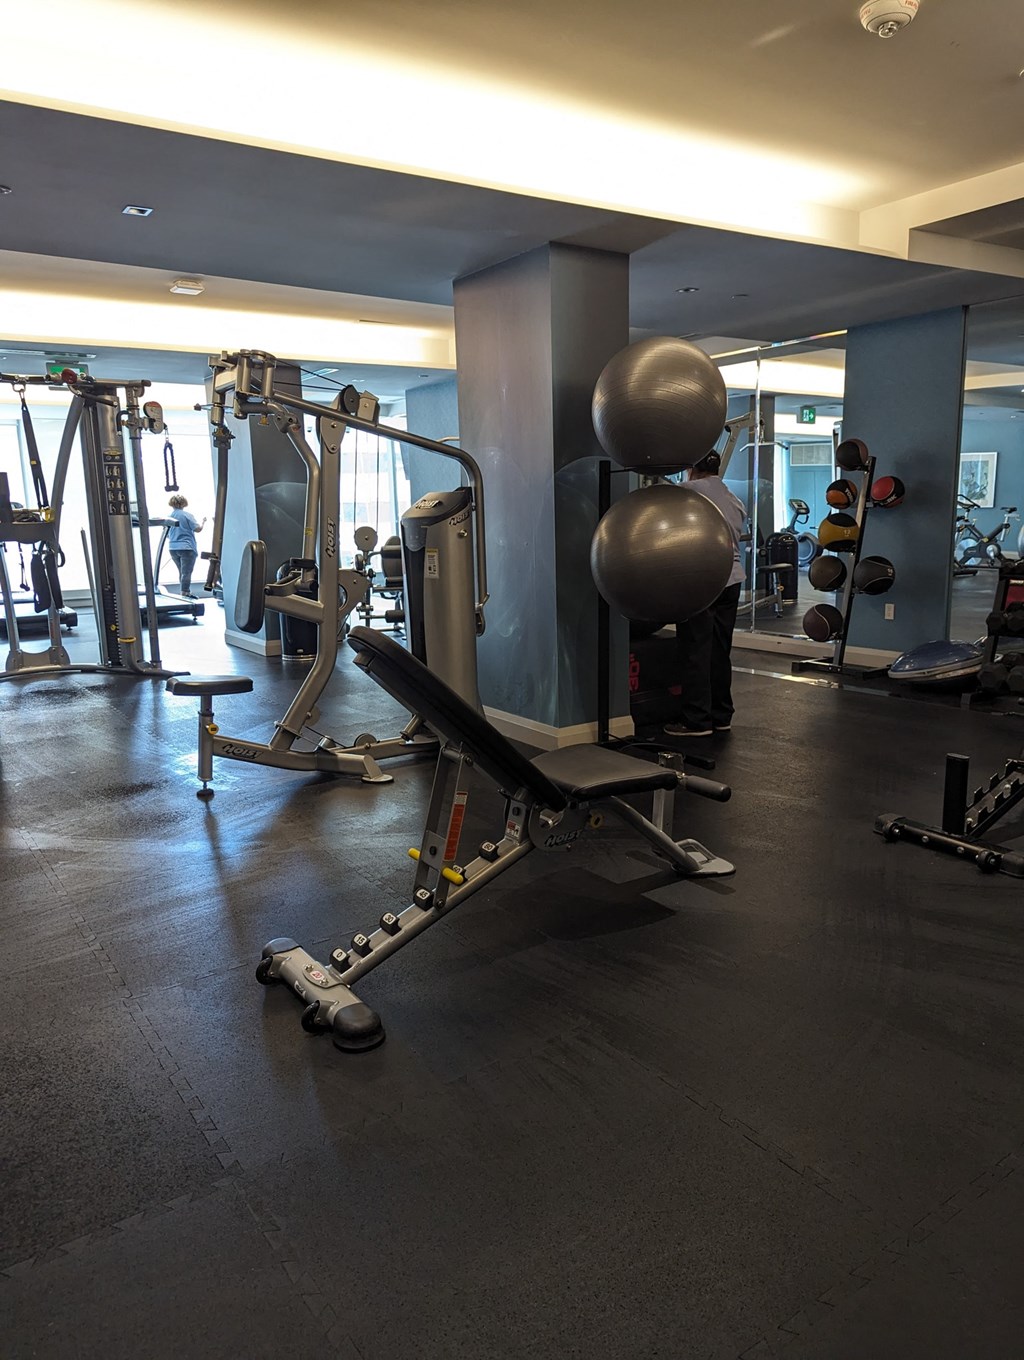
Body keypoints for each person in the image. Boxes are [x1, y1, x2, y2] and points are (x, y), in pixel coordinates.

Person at [665, 450, 746, 738]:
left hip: (701, 580)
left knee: (695, 650)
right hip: (732, 578)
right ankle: (721, 715)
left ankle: (696, 720)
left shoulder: (685, 492)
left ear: (691, 468)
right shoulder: (731, 497)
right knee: (719, 651)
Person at [166, 494, 206, 599]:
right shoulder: (187, 515)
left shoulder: (168, 517)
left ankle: (184, 592)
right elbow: (198, 529)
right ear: (184, 503)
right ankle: (185, 593)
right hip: (186, 547)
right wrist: (203, 522)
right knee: (186, 572)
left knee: (182, 572)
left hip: (173, 548)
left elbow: (167, 535)